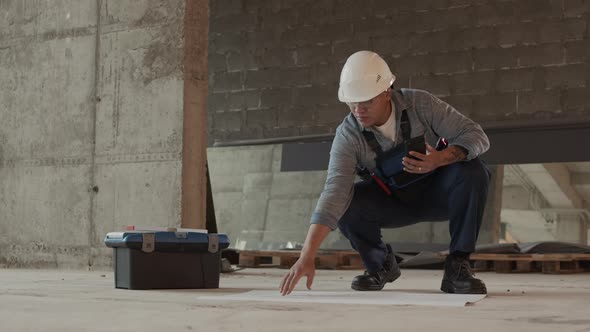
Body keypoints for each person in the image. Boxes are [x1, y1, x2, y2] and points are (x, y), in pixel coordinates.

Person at [279, 50, 491, 296]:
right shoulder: (348, 136)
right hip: (392, 201)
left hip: (439, 194)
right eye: (352, 102)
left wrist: (440, 159)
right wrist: (307, 255)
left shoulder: (420, 104)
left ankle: (458, 266)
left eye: (366, 101)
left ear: (386, 92)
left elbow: (476, 136)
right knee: (347, 203)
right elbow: (334, 193)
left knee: (473, 171)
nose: (358, 110)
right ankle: (380, 265)